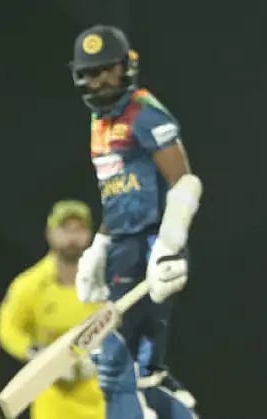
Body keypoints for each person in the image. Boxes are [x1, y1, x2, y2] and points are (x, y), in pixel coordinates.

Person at [69, 25, 203, 419]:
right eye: (91, 72)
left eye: (107, 69)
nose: (100, 80)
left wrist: (168, 248)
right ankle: (169, 400)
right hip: (122, 248)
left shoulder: (144, 113)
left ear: (126, 67)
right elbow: (117, 196)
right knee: (133, 366)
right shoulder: (99, 124)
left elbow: (185, 182)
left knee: (116, 363)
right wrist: (98, 248)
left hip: (151, 245)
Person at [0, 200, 105, 419]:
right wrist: (36, 354)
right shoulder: (30, 285)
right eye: (65, 229)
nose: (72, 237)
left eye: (79, 229)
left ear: (90, 235)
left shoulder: (105, 282)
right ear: (49, 233)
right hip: (52, 406)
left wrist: (100, 358)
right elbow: (7, 328)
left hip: (102, 403)